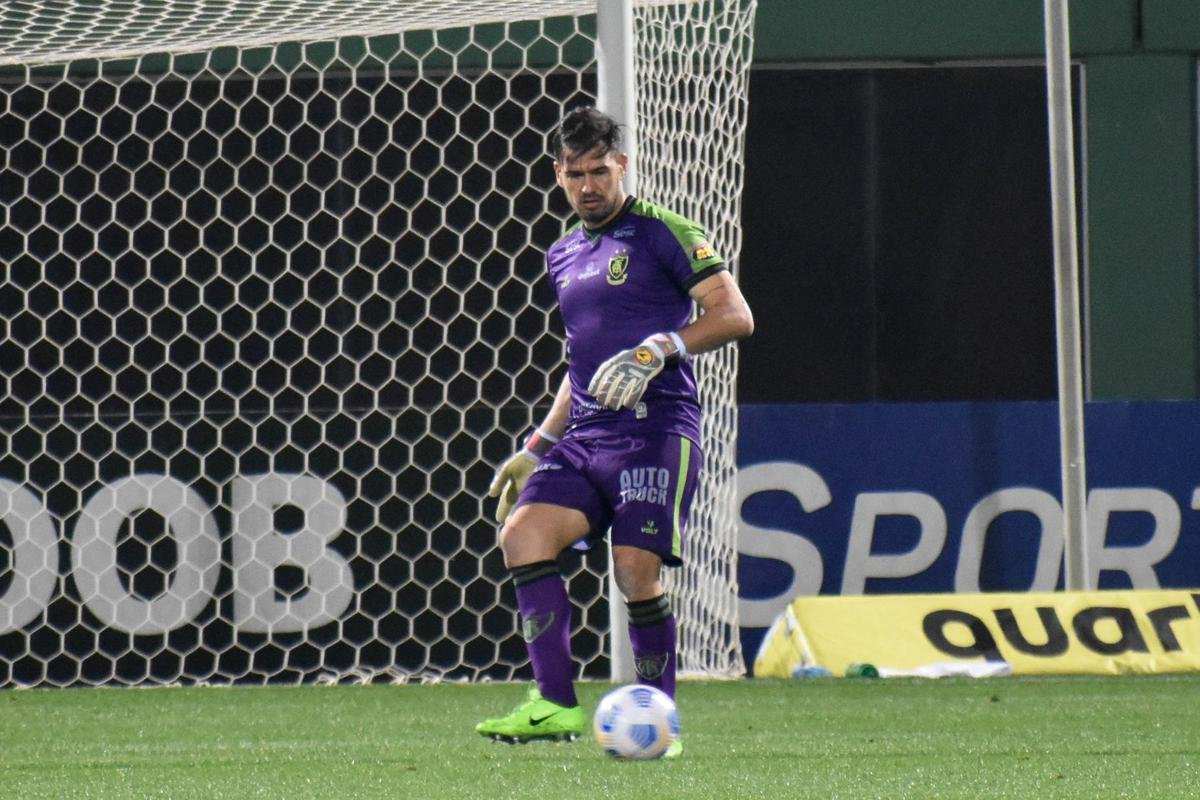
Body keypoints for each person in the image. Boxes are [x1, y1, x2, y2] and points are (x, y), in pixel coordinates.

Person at [476, 106, 754, 753]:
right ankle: (553, 705)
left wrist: (663, 348)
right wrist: (535, 447)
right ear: (558, 175)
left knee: (634, 570)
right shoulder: (563, 253)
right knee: (522, 534)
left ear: (620, 166)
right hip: (586, 440)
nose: (588, 186)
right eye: (575, 174)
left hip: (656, 430)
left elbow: (734, 315)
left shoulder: (663, 232)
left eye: (599, 171)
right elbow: (583, 365)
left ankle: (661, 717)